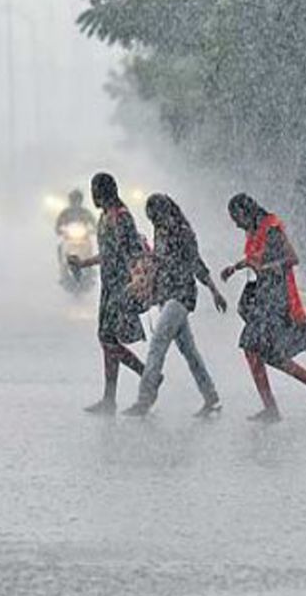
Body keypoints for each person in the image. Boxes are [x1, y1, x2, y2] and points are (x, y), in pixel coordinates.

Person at [220, 193, 306, 422]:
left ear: (246, 212)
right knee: (263, 352)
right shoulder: (254, 230)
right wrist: (236, 267)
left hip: (276, 298)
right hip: (263, 296)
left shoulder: (271, 229)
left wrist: (266, 268)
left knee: (253, 347)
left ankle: (276, 404)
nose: (236, 224)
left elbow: (291, 258)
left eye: (237, 218)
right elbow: (254, 258)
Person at [121, 194, 227, 418]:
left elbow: (195, 263)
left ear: (165, 212)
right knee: (190, 352)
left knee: (158, 343)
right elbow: (161, 260)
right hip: (167, 295)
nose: (155, 223)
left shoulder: (183, 233)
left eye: (156, 217)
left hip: (181, 295)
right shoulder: (160, 232)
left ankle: (144, 399)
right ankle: (211, 397)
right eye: (152, 220)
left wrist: (214, 290)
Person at [68, 173, 148, 414]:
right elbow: (107, 254)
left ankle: (148, 374)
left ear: (105, 191)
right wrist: (83, 264)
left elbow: (131, 253)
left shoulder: (121, 218)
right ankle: (109, 398)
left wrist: (135, 282)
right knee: (109, 340)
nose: (92, 195)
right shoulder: (104, 217)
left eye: (95, 190)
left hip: (122, 286)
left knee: (107, 339)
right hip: (109, 285)